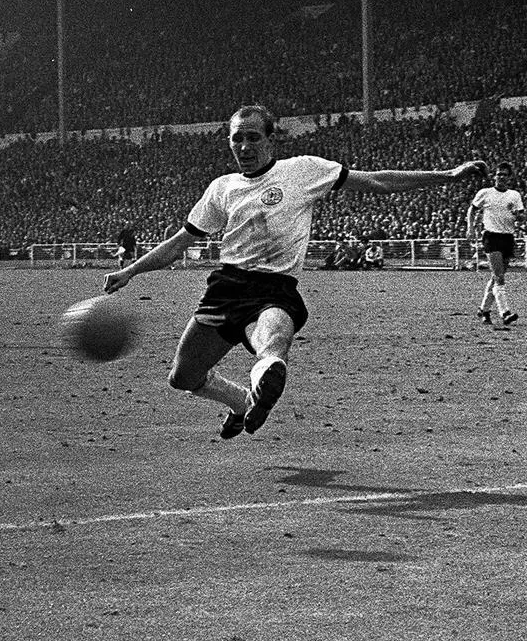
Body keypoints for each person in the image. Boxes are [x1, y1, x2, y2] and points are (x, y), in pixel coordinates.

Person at [103, 104, 486, 440]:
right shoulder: (222, 188)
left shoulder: (303, 171)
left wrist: (448, 176)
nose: (244, 146)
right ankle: (241, 401)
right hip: (225, 287)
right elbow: (179, 242)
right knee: (182, 377)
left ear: (272, 140)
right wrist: (130, 272)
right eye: (237, 139)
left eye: (253, 137)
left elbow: (377, 180)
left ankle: (266, 376)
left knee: (270, 345)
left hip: (275, 288)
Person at [466, 161, 523, 325]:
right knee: (499, 277)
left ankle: (484, 310)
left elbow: (521, 216)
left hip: (508, 237)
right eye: (499, 174)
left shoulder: (514, 195)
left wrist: (517, 215)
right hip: (491, 236)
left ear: (509, 177)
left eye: (504, 175)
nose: (501, 177)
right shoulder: (485, 193)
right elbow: (472, 209)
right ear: (494, 176)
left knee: (496, 277)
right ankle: (505, 312)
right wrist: (470, 227)